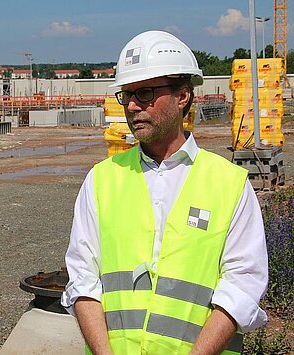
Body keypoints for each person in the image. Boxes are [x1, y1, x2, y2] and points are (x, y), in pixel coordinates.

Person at [61, 30, 268, 354]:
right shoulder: (101, 181)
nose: (131, 105)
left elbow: (242, 287)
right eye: (125, 94)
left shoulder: (230, 185)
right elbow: (83, 281)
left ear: (182, 95)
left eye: (144, 93)